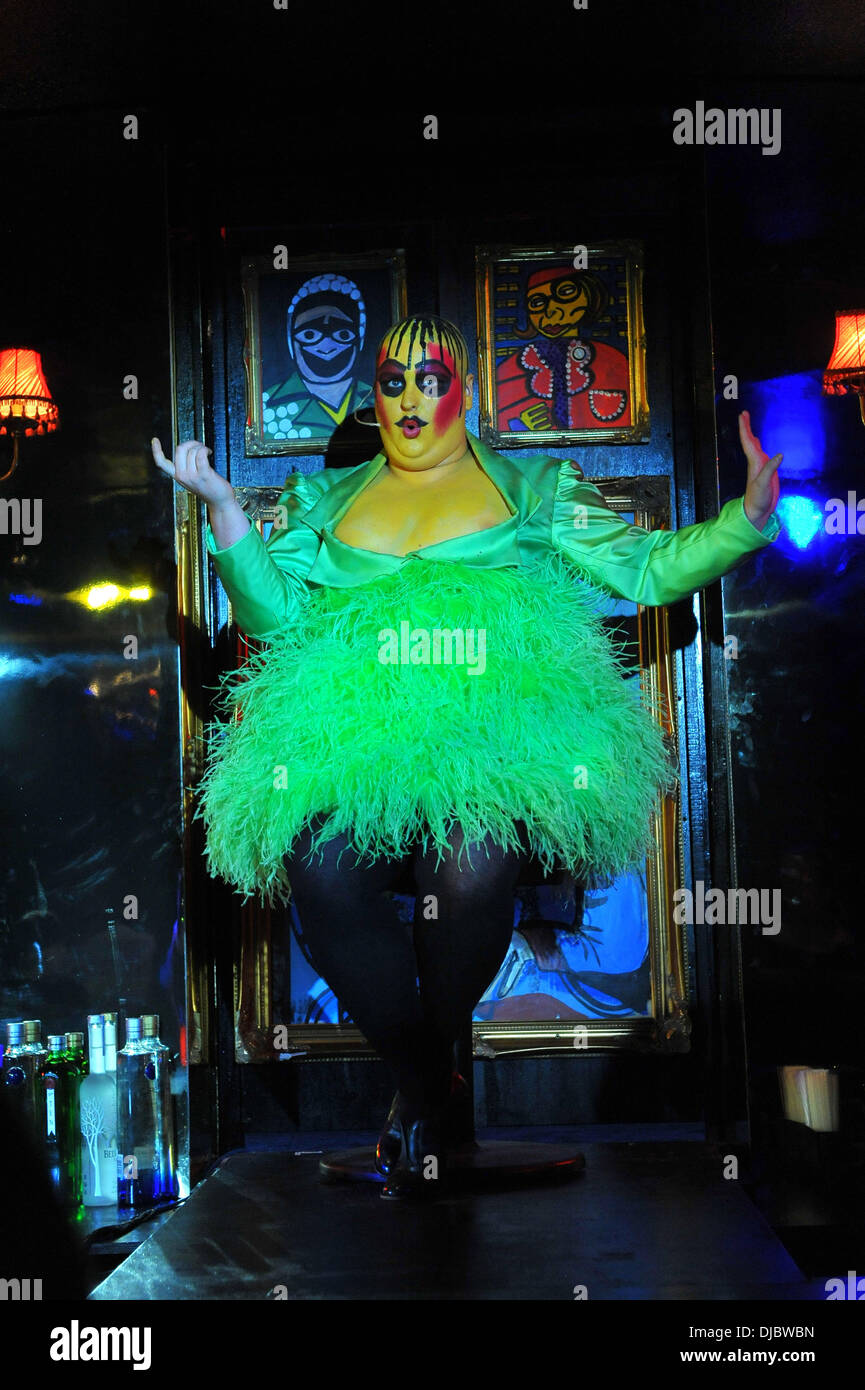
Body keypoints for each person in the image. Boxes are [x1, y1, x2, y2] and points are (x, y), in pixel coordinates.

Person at [152, 313, 782, 1198]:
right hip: (353, 751)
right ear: (373, 397)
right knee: (320, 867)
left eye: (431, 380)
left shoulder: (531, 487)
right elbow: (272, 619)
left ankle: (421, 1100)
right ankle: (429, 1086)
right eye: (393, 382)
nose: (410, 400)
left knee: (473, 859)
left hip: (492, 752)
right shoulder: (321, 502)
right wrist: (222, 507)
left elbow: (644, 570)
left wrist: (745, 520)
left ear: (466, 389)